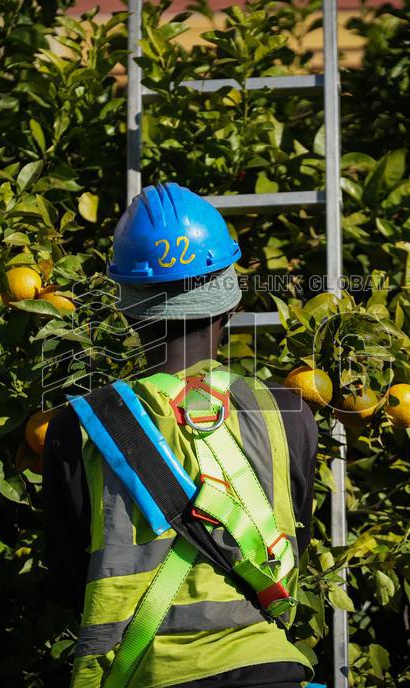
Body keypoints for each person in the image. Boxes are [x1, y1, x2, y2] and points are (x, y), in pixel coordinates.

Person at [43, 183, 319, 688]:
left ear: (127, 310)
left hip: (147, 674)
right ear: (231, 303)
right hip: (270, 669)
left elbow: (65, 582)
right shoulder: (291, 412)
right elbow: (290, 548)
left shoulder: (78, 425)